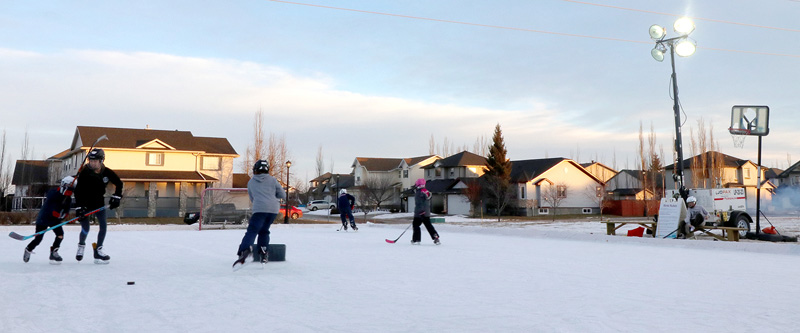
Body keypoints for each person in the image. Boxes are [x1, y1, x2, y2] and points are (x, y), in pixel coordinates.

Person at [233, 160, 286, 268]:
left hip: (259, 209)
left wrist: (260, 201)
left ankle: (245, 251)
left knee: (253, 230)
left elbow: (252, 198)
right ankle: (263, 252)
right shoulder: (273, 180)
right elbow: (282, 194)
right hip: (273, 209)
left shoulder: (251, 182)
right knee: (264, 230)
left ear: (255, 170)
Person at [74, 148, 123, 264]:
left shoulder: (107, 172)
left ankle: (98, 249)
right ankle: (81, 245)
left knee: (103, 226)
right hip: (85, 204)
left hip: (98, 203)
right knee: (86, 228)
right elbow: (78, 191)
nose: (92, 163)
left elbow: (119, 183)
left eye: (95, 161)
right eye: (91, 160)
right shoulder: (85, 173)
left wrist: (117, 197)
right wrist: (79, 207)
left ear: (101, 161)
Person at [22, 176, 77, 264]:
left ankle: (54, 252)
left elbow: (66, 210)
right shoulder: (54, 192)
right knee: (38, 239)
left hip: (55, 220)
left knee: (60, 235)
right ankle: (28, 249)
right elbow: (50, 207)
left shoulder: (68, 199)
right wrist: (56, 213)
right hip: (44, 218)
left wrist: (64, 216)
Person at [411, 178, 440, 245]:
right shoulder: (426, 192)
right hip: (426, 213)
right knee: (429, 226)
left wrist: (421, 211)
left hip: (419, 213)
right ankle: (435, 237)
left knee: (416, 225)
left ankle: (416, 239)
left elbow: (419, 203)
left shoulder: (419, 193)